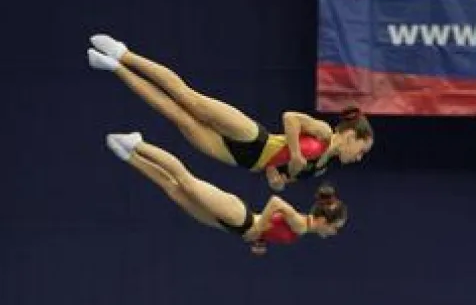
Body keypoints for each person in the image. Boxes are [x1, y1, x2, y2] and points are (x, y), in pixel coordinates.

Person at [88, 33, 373, 189]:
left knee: (177, 117)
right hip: (253, 137)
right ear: (349, 135)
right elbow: (290, 117)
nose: (358, 157)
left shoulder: (320, 169)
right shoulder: (323, 132)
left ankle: (115, 68)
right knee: (189, 99)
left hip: (244, 160)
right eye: (361, 149)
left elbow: (276, 172)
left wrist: (277, 181)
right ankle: (124, 53)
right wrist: (297, 154)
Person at [106, 134, 347, 255]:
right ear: (324, 221)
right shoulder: (301, 224)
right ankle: (139, 144)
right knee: (186, 182)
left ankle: (130, 157)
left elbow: (272, 224)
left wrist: (259, 238)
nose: (333, 233)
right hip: (239, 216)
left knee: (175, 192)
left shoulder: (300, 228)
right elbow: (276, 202)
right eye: (335, 228)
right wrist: (257, 228)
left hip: (234, 227)